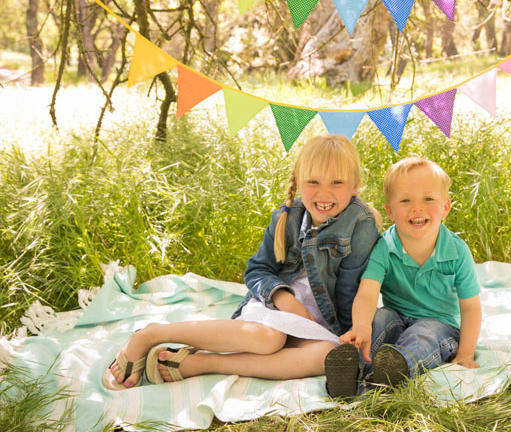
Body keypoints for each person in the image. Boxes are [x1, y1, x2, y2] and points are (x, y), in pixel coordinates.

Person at [103, 134, 380, 389]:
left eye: (337, 182)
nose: (324, 193)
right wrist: (285, 300)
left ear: (355, 185)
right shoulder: (288, 216)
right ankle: (151, 334)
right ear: (299, 180)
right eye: (313, 182)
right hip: (274, 308)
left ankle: (202, 363)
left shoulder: (360, 223)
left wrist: (350, 336)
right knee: (269, 338)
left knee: (325, 357)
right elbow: (258, 270)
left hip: (321, 322)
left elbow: (350, 290)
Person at [324, 156, 482, 399]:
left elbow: (471, 308)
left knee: (423, 336)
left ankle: (395, 370)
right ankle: (349, 371)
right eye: (405, 200)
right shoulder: (385, 247)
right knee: (379, 319)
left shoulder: (456, 251)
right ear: (390, 211)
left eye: (428, 199)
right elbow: (367, 291)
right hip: (397, 316)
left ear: (445, 208)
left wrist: (466, 353)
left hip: (440, 323)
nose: (416, 208)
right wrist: (361, 327)